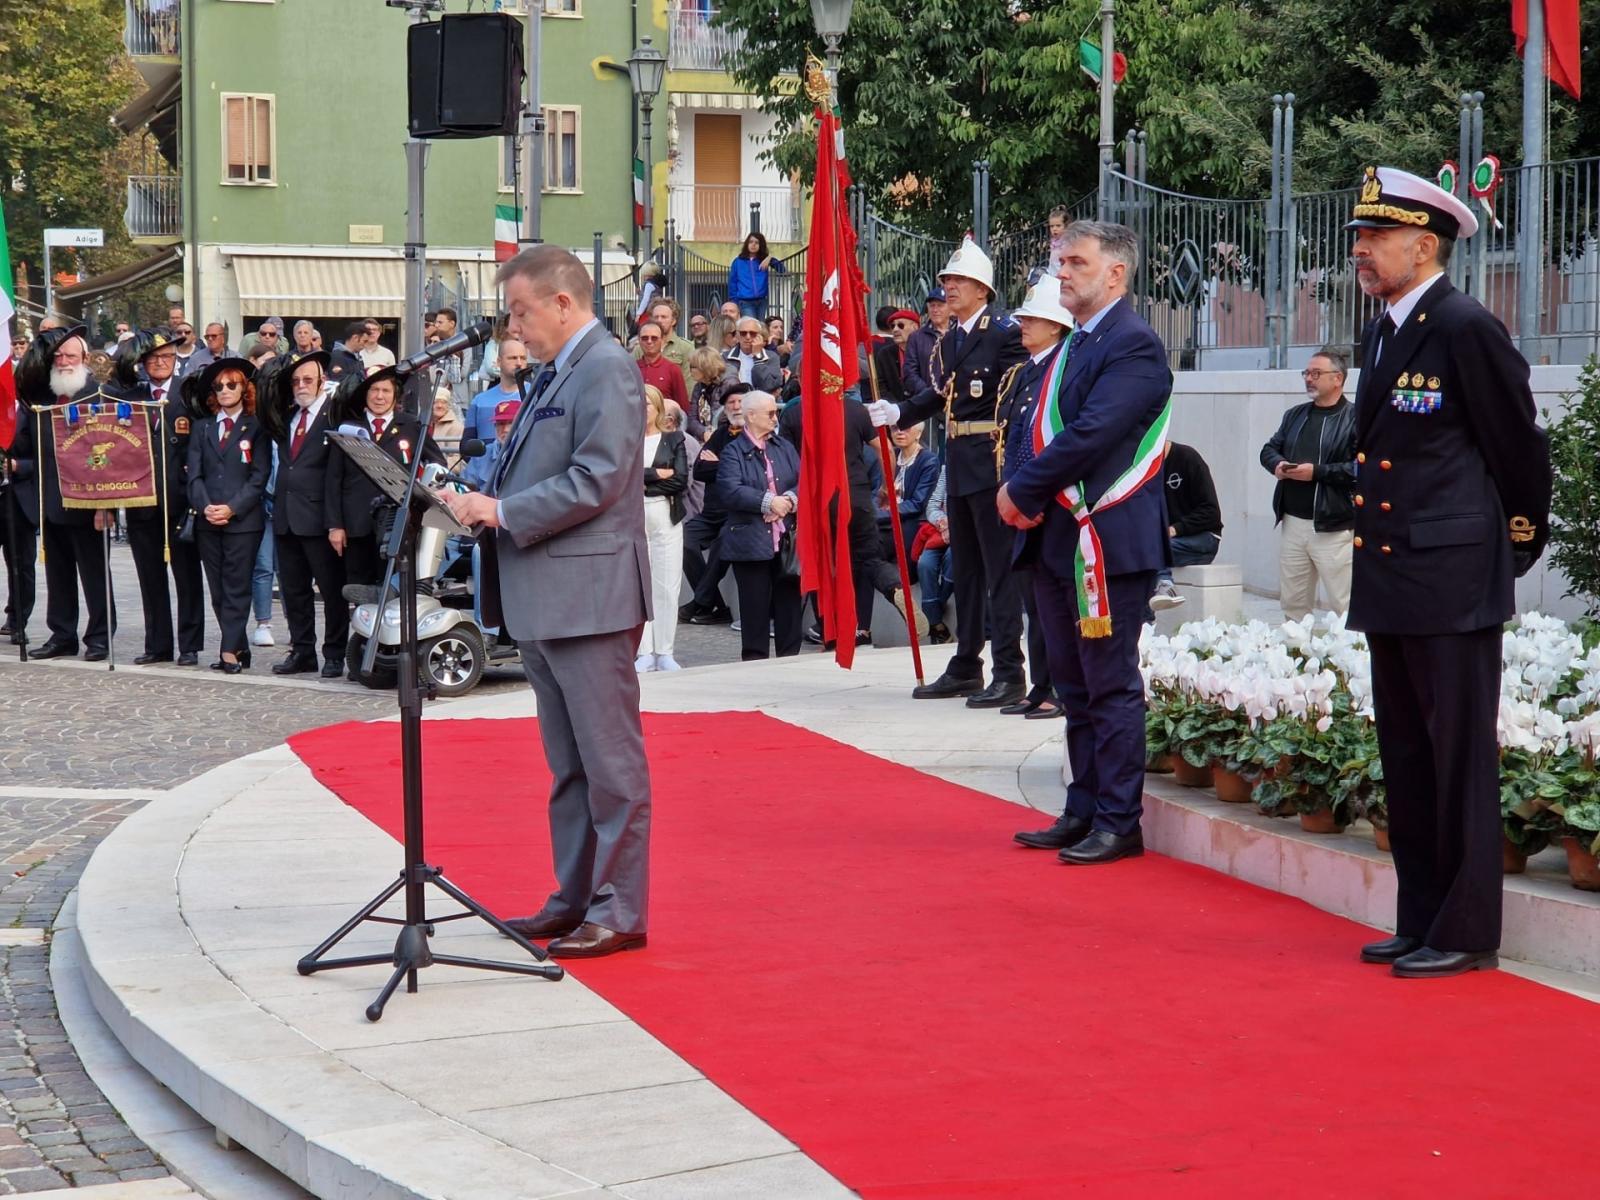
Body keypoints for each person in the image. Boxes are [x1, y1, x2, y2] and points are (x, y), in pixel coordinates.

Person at [1343, 166, 1551, 979]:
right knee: (1408, 754)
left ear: (1423, 244)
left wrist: (1517, 541)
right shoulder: (1384, 329)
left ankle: (1466, 932)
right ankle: (1421, 915)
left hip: (1453, 575)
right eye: (1360, 236)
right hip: (1392, 576)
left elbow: (1518, 447)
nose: (1361, 250)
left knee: (1459, 758)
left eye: (1376, 238)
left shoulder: (1464, 325)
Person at [439, 244, 652, 960]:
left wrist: (500, 514)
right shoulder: (561, 371)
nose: (514, 328)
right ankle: (574, 899)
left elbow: (596, 479)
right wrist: (473, 497)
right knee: (570, 769)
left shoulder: (606, 371)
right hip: (548, 595)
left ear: (564, 303)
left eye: (522, 311)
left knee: (610, 768)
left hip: (588, 598)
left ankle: (618, 911)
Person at [999, 220, 1173, 865]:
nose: (1061, 273)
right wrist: (1023, 493)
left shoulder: (1133, 345)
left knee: (1109, 685)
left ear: (1115, 273)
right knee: (1071, 685)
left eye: (1074, 262)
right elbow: (1035, 433)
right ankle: (1082, 807)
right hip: (1054, 540)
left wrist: (1022, 490)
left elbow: (1094, 434)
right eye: (1059, 261)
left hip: (1105, 539)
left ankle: (1119, 819)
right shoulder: (1074, 344)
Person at [867, 236, 1028, 706]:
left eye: (957, 281)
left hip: (991, 460)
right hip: (959, 461)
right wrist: (899, 412)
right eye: (946, 281)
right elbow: (941, 394)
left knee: (999, 572)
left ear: (982, 289)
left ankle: (1009, 670)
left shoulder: (1004, 333)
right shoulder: (951, 338)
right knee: (969, 571)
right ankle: (966, 665)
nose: (948, 288)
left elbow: (1017, 400)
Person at [9, 328, 117, 661]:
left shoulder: (99, 395)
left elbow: (113, 457)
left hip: (90, 501)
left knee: (95, 572)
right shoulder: (45, 398)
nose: (63, 361)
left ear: (85, 359)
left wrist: (108, 506)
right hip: (51, 499)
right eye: (58, 356)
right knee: (58, 573)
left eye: (70, 356)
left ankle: (100, 637)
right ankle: (62, 634)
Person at [997, 276, 1076, 721]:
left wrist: (1031, 496)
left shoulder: (1059, 370)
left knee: (1051, 606)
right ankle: (1041, 683)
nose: (1023, 325)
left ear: (1056, 326)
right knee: (1033, 602)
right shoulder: (1027, 371)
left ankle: (1058, 689)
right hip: (1021, 499)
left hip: (1047, 504)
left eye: (1032, 319)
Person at [124, 330, 205, 666]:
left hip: (181, 503)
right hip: (142, 504)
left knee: (187, 578)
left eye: (167, 357)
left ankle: (188, 646)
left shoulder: (189, 397)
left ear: (176, 360)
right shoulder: (131, 397)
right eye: (154, 358)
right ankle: (157, 644)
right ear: (143, 363)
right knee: (150, 578)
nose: (160, 363)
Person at [186, 358, 271, 673]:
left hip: (243, 522)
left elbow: (259, 477)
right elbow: (193, 475)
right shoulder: (202, 427)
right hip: (208, 520)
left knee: (236, 586)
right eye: (219, 386)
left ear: (243, 389)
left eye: (231, 384)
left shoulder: (256, 427)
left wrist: (232, 508)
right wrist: (206, 505)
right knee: (218, 590)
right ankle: (238, 645)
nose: (224, 390)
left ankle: (228, 653)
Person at [1260, 346, 1357, 619]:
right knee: (1293, 603)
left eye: (1316, 373)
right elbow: (1269, 449)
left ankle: (1353, 658)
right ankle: (1295, 657)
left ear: (1337, 378)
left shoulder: (1355, 418)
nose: (1308, 378)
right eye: (1306, 373)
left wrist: (1317, 472)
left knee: (1345, 603)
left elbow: (1362, 468)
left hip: (1333, 526)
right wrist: (1277, 465)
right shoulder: (1295, 414)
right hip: (1293, 522)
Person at [269, 351, 348, 678]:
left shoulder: (333, 416)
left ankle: (334, 653)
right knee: (294, 592)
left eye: (308, 380)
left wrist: (335, 523)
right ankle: (302, 651)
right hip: (286, 517)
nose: (301, 386)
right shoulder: (287, 416)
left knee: (331, 592)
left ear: (322, 382)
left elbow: (337, 475)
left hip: (319, 520)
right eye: (296, 381)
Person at [327, 366, 443, 591]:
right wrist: (335, 525)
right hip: (355, 526)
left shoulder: (411, 426)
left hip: (396, 525)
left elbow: (437, 463)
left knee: (393, 591)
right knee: (357, 590)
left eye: (386, 391)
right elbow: (333, 479)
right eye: (374, 390)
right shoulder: (349, 427)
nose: (379, 396)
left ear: (395, 395)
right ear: (365, 394)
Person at [715, 390, 801, 660]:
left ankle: (790, 658)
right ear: (751, 416)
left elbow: (803, 479)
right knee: (754, 607)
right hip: (749, 540)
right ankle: (754, 662)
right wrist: (767, 502)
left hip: (785, 538)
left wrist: (788, 499)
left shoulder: (783, 446)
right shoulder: (733, 451)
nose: (776, 418)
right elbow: (729, 489)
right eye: (771, 413)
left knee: (789, 602)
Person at [680, 386, 746, 626]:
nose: (735, 407)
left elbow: (747, 474)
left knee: (723, 543)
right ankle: (711, 603)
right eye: (730, 403)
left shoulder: (753, 435)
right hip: (709, 513)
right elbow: (699, 470)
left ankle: (702, 602)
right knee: (684, 539)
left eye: (740, 402)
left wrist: (721, 464)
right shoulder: (720, 435)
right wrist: (730, 466)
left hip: (736, 514)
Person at [637, 384, 688, 673]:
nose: (643, 408)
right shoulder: (625, 440)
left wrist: (645, 483)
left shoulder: (673, 439)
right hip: (636, 515)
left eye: (647, 403)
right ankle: (644, 650)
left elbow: (680, 479)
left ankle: (664, 649)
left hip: (665, 513)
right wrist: (654, 474)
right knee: (641, 583)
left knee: (667, 584)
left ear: (657, 408)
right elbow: (623, 475)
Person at [1149, 441, 1222, 613]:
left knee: (1153, 548)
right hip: (1166, 541)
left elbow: (1211, 512)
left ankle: (1166, 585)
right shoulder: (1144, 470)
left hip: (1203, 538)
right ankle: (1145, 624)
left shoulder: (1187, 457)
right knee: (1138, 553)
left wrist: (1174, 530)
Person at [915, 466, 954, 643]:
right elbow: (932, 505)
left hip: (962, 533)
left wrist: (955, 524)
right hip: (940, 531)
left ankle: (933, 614)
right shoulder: (947, 469)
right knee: (925, 564)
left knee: (951, 559)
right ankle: (936, 622)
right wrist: (942, 522)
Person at [463, 339, 527, 443]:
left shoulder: (536, 396)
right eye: (513, 358)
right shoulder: (479, 402)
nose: (519, 363)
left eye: (523, 358)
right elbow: (467, 445)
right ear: (498, 362)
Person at [902, 285, 952, 395]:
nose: (935, 310)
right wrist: (928, 394)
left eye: (940, 305)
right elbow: (909, 372)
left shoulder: (959, 333)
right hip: (926, 403)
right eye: (932, 306)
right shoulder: (916, 337)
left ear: (950, 307)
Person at [462, 398, 519, 493]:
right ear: (494, 427)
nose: (505, 429)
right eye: (500, 424)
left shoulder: (530, 453)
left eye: (510, 423)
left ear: (522, 424)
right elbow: (464, 488)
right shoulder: (482, 455)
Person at [634, 322, 689, 413]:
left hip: (664, 425)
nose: (649, 341)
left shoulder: (673, 370)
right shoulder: (631, 369)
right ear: (639, 340)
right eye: (644, 338)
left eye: (654, 338)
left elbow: (683, 408)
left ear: (663, 340)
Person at [870, 309, 920, 403]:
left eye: (901, 325)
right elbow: (881, 388)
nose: (895, 329)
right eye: (892, 326)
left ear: (915, 327)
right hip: (896, 411)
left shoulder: (929, 351)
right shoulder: (884, 354)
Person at [725, 317, 785, 394]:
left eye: (752, 333)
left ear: (759, 336)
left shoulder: (771, 357)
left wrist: (758, 357)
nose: (748, 337)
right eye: (743, 333)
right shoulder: (725, 357)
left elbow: (769, 386)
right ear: (737, 335)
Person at [686, 344, 734, 438]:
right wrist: (703, 433)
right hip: (705, 436)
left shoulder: (729, 384)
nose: (690, 370)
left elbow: (728, 418)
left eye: (693, 366)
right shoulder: (698, 387)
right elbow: (692, 419)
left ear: (705, 367)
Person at [633, 299, 694, 370]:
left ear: (673, 321)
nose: (659, 320)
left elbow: (689, 379)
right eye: (656, 317)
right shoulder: (640, 349)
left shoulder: (686, 348)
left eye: (663, 317)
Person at [429, 387, 466, 466]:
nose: (440, 406)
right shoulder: (424, 423)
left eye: (444, 402)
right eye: (435, 402)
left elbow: (456, 460)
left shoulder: (455, 427)